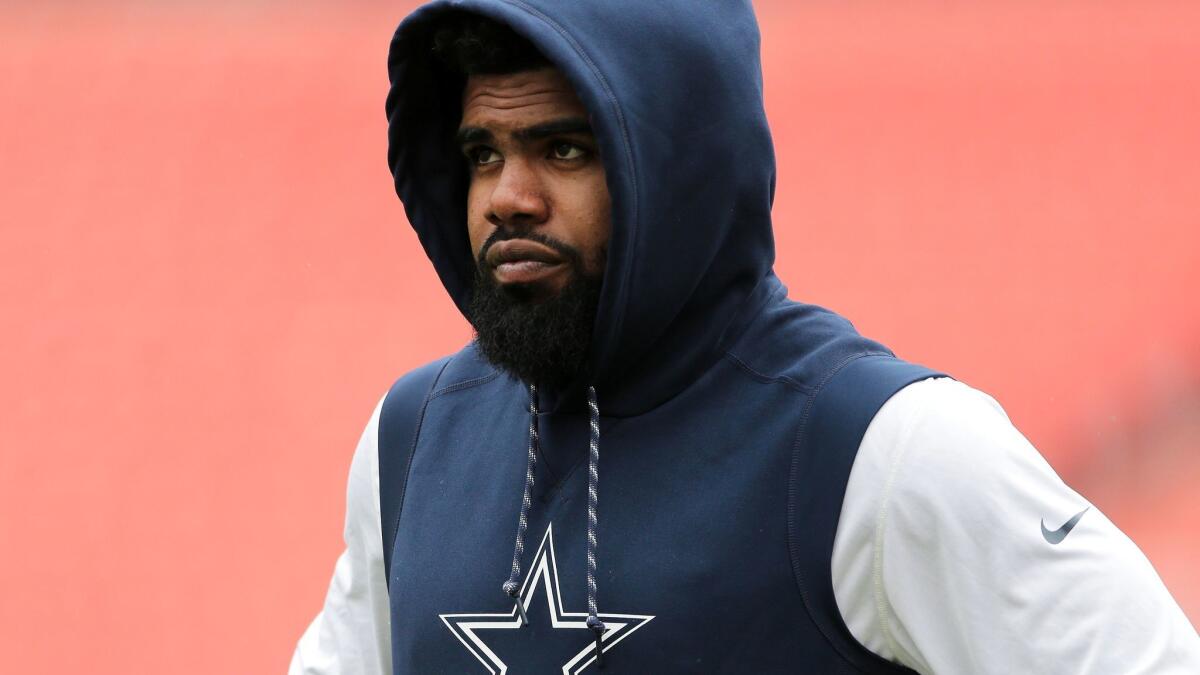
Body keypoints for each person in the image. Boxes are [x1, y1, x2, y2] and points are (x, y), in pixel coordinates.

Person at [291, 1, 1200, 673]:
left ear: (678, 171)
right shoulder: (411, 444)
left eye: (563, 149)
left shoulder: (878, 449)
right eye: (483, 152)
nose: (505, 197)